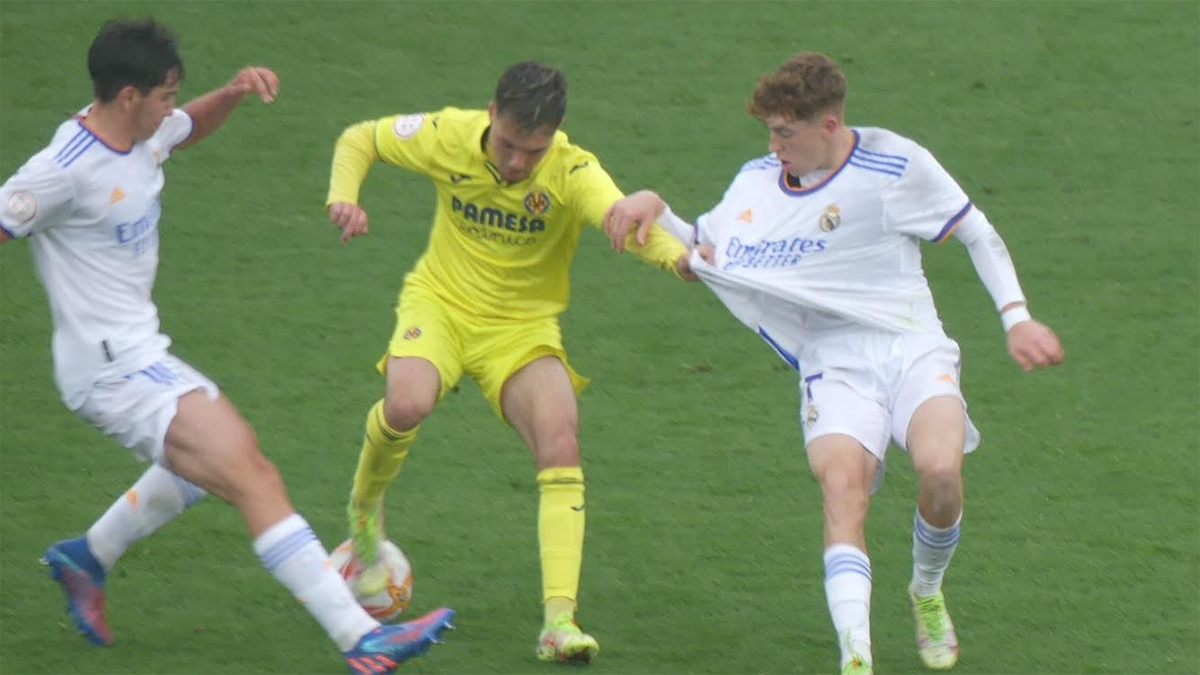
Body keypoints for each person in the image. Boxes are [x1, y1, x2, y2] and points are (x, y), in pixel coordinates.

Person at [0, 19, 453, 674]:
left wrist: (234, 92)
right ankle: (362, 636)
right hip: (109, 368)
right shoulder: (61, 170)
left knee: (200, 470)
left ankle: (88, 556)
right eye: (163, 95)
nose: (171, 107)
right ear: (128, 95)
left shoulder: (142, 131)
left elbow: (187, 128)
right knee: (251, 472)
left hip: (139, 351)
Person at [603, 52, 1065, 674]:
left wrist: (1017, 317)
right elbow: (707, 253)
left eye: (785, 132)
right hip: (834, 364)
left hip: (911, 345)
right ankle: (857, 658)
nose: (773, 146)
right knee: (842, 493)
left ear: (830, 124)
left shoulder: (894, 165)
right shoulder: (755, 183)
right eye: (769, 130)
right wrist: (655, 206)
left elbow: (977, 231)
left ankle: (926, 590)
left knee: (941, 475)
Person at [325, 60, 696, 663]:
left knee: (561, 438)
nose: (518, 162)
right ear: (491, 113)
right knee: (407, 403)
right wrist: (345, 198)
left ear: (555, 136)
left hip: (520, 330)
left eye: (534, 149)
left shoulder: (573, 170)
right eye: (508, 145)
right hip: (441, 304)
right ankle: (364, 513)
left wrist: (678, 260)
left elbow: (622, 219)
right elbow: (360, 137)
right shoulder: (448, 135)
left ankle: (559, 623)